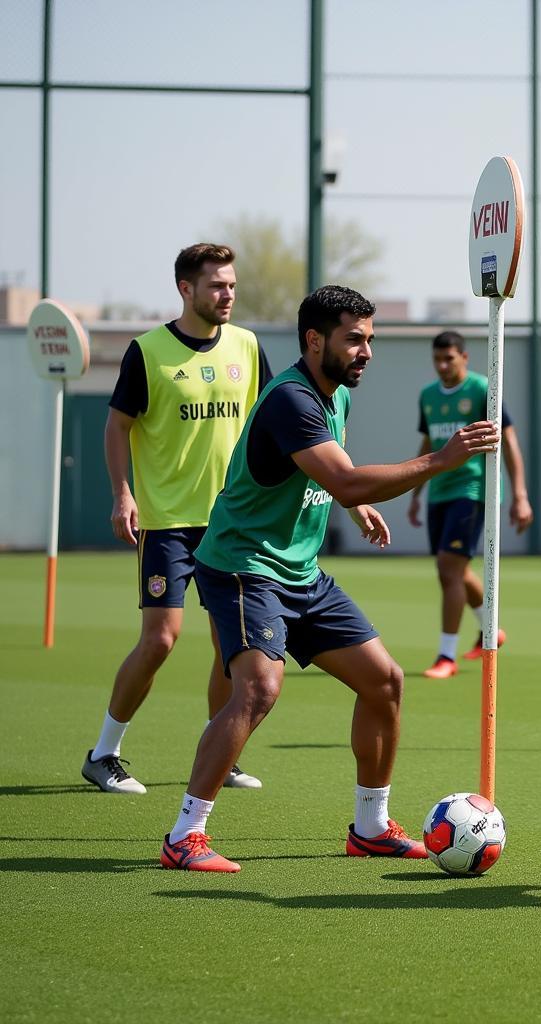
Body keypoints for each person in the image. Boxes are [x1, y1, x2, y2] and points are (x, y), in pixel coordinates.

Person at [159, 286, 499, 872]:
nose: (366, 351)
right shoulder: (291, 397)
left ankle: (370, 827)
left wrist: (350, 503)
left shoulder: (334, 393)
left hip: (300, 572)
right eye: (354, 339)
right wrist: (439, 460)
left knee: (385, 682)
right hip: (243, 566)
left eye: (371, 339)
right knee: (259, 689)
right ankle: (184, 835)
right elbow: (343, 476)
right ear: (315, 341)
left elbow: (328, 470)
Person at [82, 243, 272, 795]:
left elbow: (271, 418)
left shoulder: (247, 345)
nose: (228, 294)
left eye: (232, 284)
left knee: (228, 645)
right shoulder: (148, 351)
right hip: (167, 523)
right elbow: (117, 427)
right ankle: (103, 753)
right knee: (161, 640)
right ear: (186, 290)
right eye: (217, 285)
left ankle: (223, 754)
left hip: (232, 524)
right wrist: (123, 494)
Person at [407, 330, 533, 679]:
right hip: (439, 493)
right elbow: (428, 443)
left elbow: (508, 441)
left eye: (449, 358)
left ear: (464, 357)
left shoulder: (482, 389)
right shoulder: (428, 396)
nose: (442, 365)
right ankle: (491, 629)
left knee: (448, 568)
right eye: (437, 359)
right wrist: (415, 492)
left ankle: (446, 656)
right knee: (456, 570)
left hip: (472, 490)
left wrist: (520, 495)